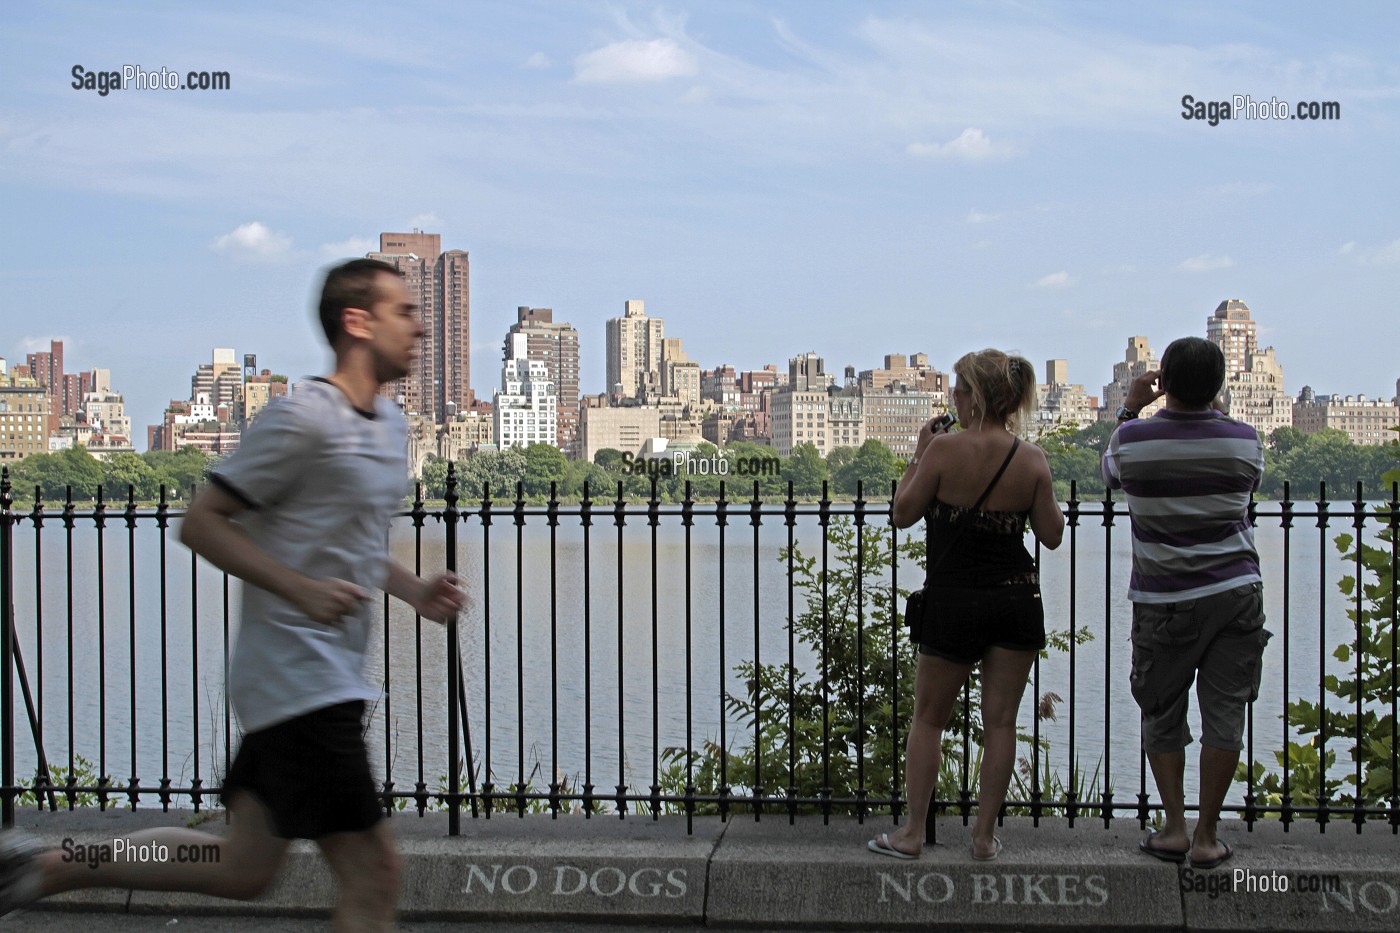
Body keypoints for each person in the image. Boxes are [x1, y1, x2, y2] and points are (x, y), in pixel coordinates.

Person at [0, 258, 466, 931]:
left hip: (319, 680)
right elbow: (201, 521)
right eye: (404, 311)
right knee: (374, 873)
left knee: (244, 868)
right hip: (299, 679)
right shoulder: (303, 417)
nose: (420, 327)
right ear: (356, 322)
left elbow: (357, 546)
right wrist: (299, 588)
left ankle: (48, 865)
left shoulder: (390, 428)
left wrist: (415, 588)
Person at [868, 348, 1063, 861]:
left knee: (928, 718)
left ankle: (912, 833)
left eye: (957, 389)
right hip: (1015, 598)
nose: (951, 398)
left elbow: (902, 513)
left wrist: (918, 451)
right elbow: (1051, 534)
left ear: (974, 397)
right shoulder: (1032, 459)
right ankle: (982, 838)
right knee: (1001, 723)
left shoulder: (943, 451)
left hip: (953, 600)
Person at [1103, 336, 1269, 870]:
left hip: (1164, 597)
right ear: (1219, 387)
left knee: (1161, 706)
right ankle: (1207, 835)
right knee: (1226, 712)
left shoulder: (1132, 441)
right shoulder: (1246, 441)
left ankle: (1174, 826)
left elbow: (1109, 475)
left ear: (1163, 384)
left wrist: (1131, 405)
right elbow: (1247, 494)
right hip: (1235, 594)